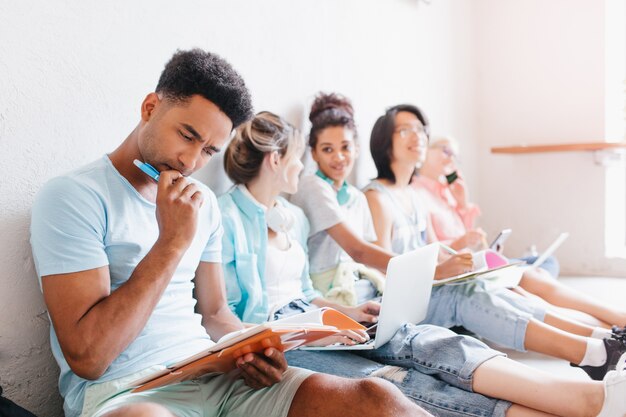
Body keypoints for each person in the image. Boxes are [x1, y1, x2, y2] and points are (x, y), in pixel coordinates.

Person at [28, 50, 427, 417]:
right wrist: (172, 242)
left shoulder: (201, 201)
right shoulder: (74, 197)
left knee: (379, 399)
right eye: (187, 135)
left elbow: (217, 315)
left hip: (214, 375)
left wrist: (258, 350)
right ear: (150, 108)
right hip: (128, 394)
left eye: (208, 151)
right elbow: (89, 357)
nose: (190, 161)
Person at [218, 108, 626, 417]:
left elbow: (306, 293)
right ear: (275, 161)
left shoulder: (294, 217)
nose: (305, 166)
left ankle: (593, 396)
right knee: (402, 379)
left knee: (426, 340)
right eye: (303, 156)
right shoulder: (228, 217)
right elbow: (227, 317)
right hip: (281, 338)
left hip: (318, 317)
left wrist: (345, 313)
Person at [415, 135, 626, 329]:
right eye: (446, 151)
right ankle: (614, 324)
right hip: (458, 269)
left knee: (545, 264)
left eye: (455, 156)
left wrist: (462, 203)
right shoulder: (417, 194)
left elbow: (471, 240)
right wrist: (462, 243)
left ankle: (614, 323)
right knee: (532, 278)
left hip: (473, 262)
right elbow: (437, 254)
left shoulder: (447, 193)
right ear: (426, 151)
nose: (451, 159)